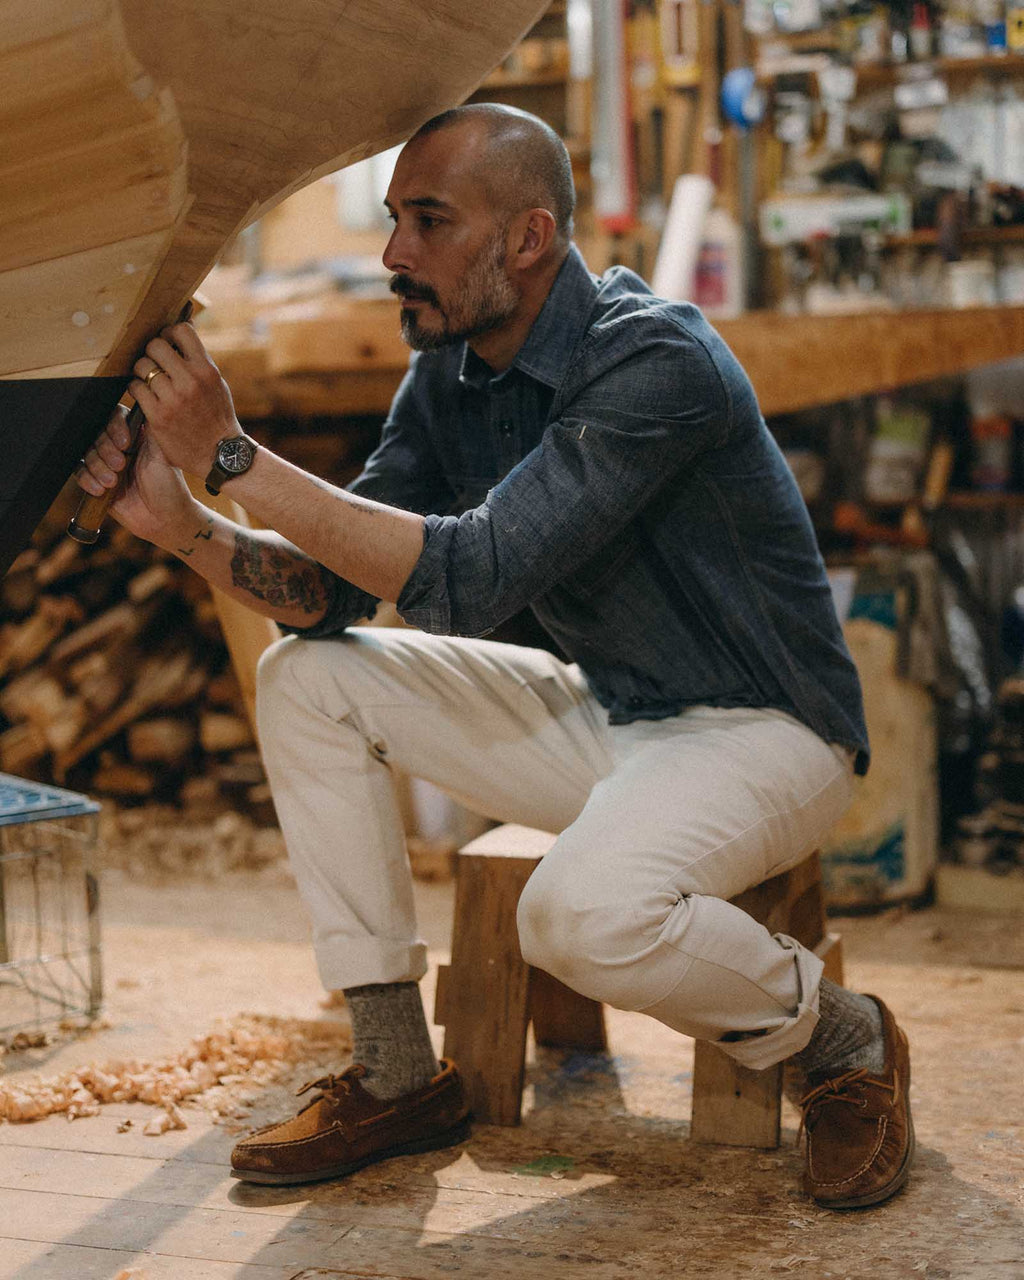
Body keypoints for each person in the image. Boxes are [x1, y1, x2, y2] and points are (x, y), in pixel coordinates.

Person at [77, 103, 913, 1209]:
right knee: (310, 678)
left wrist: (234, 454)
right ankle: (395, 1072)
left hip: (772, 729)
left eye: (428, 221)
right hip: (609, 713)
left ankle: (840, 1039)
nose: (391, 255)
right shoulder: (450, 373)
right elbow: (329, 599)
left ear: (526, 237)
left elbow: (469, 578)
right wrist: (180, 520)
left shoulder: (655, 357)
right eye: (392, 220)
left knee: (572, 913)